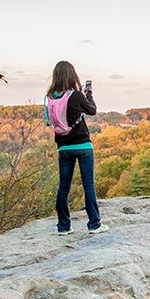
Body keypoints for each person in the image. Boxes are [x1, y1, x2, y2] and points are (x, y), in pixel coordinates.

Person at [46, 60, 107, 235]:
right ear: (72, 75)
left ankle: (63, 226)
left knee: (63, 187)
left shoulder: (51, 97)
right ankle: (94, 224)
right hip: (82, 145)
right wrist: (88, 94)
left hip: (63, 147)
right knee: (88, 184)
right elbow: (92, 110)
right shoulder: (76, 96)